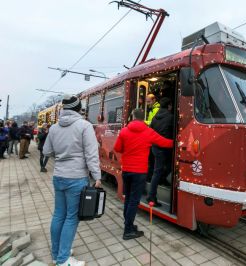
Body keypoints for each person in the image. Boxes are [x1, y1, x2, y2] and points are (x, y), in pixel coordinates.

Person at [43, 95, 102, 266]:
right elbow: (91, 154)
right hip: (76, 177)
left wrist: (62, 156)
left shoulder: (54, 127)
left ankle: (57, 254)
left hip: (59, 176)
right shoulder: (84, 126)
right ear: (79, 109)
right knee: (71, 217)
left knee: (59, 214)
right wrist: (96, 176)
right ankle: (63, 260)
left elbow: (47, 151)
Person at [114, 108, 173, 240]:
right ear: (142, 118)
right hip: (139, 172)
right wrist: (179, 142)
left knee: (128, 199)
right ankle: (128, 230)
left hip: (127, 170)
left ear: (133, 116)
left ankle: (128, 224)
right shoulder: (148, 132)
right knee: (134, 201)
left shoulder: (124, 131)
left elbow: (117, 148)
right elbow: (164, 142)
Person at [148, 98, 174, 206]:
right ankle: (151, 197)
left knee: (158, 170)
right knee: (161, 170)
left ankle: (160, 180)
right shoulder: (171, 117)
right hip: (165, 148)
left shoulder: (154, 117)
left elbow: (151, 130)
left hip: (155, 148)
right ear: (169, 106)